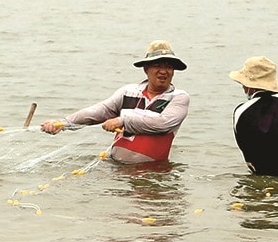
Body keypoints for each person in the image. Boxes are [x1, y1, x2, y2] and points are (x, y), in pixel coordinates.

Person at [40, 41, 190, 164]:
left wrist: (122, 120)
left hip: (153, 171)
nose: (163, 71)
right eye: (157, 66)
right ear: (146, 69)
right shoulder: (128, 91)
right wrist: (63, 124)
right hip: (116, 169)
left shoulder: (179, 97)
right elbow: (99, 111)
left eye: (168, 67)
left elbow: (162, 124)